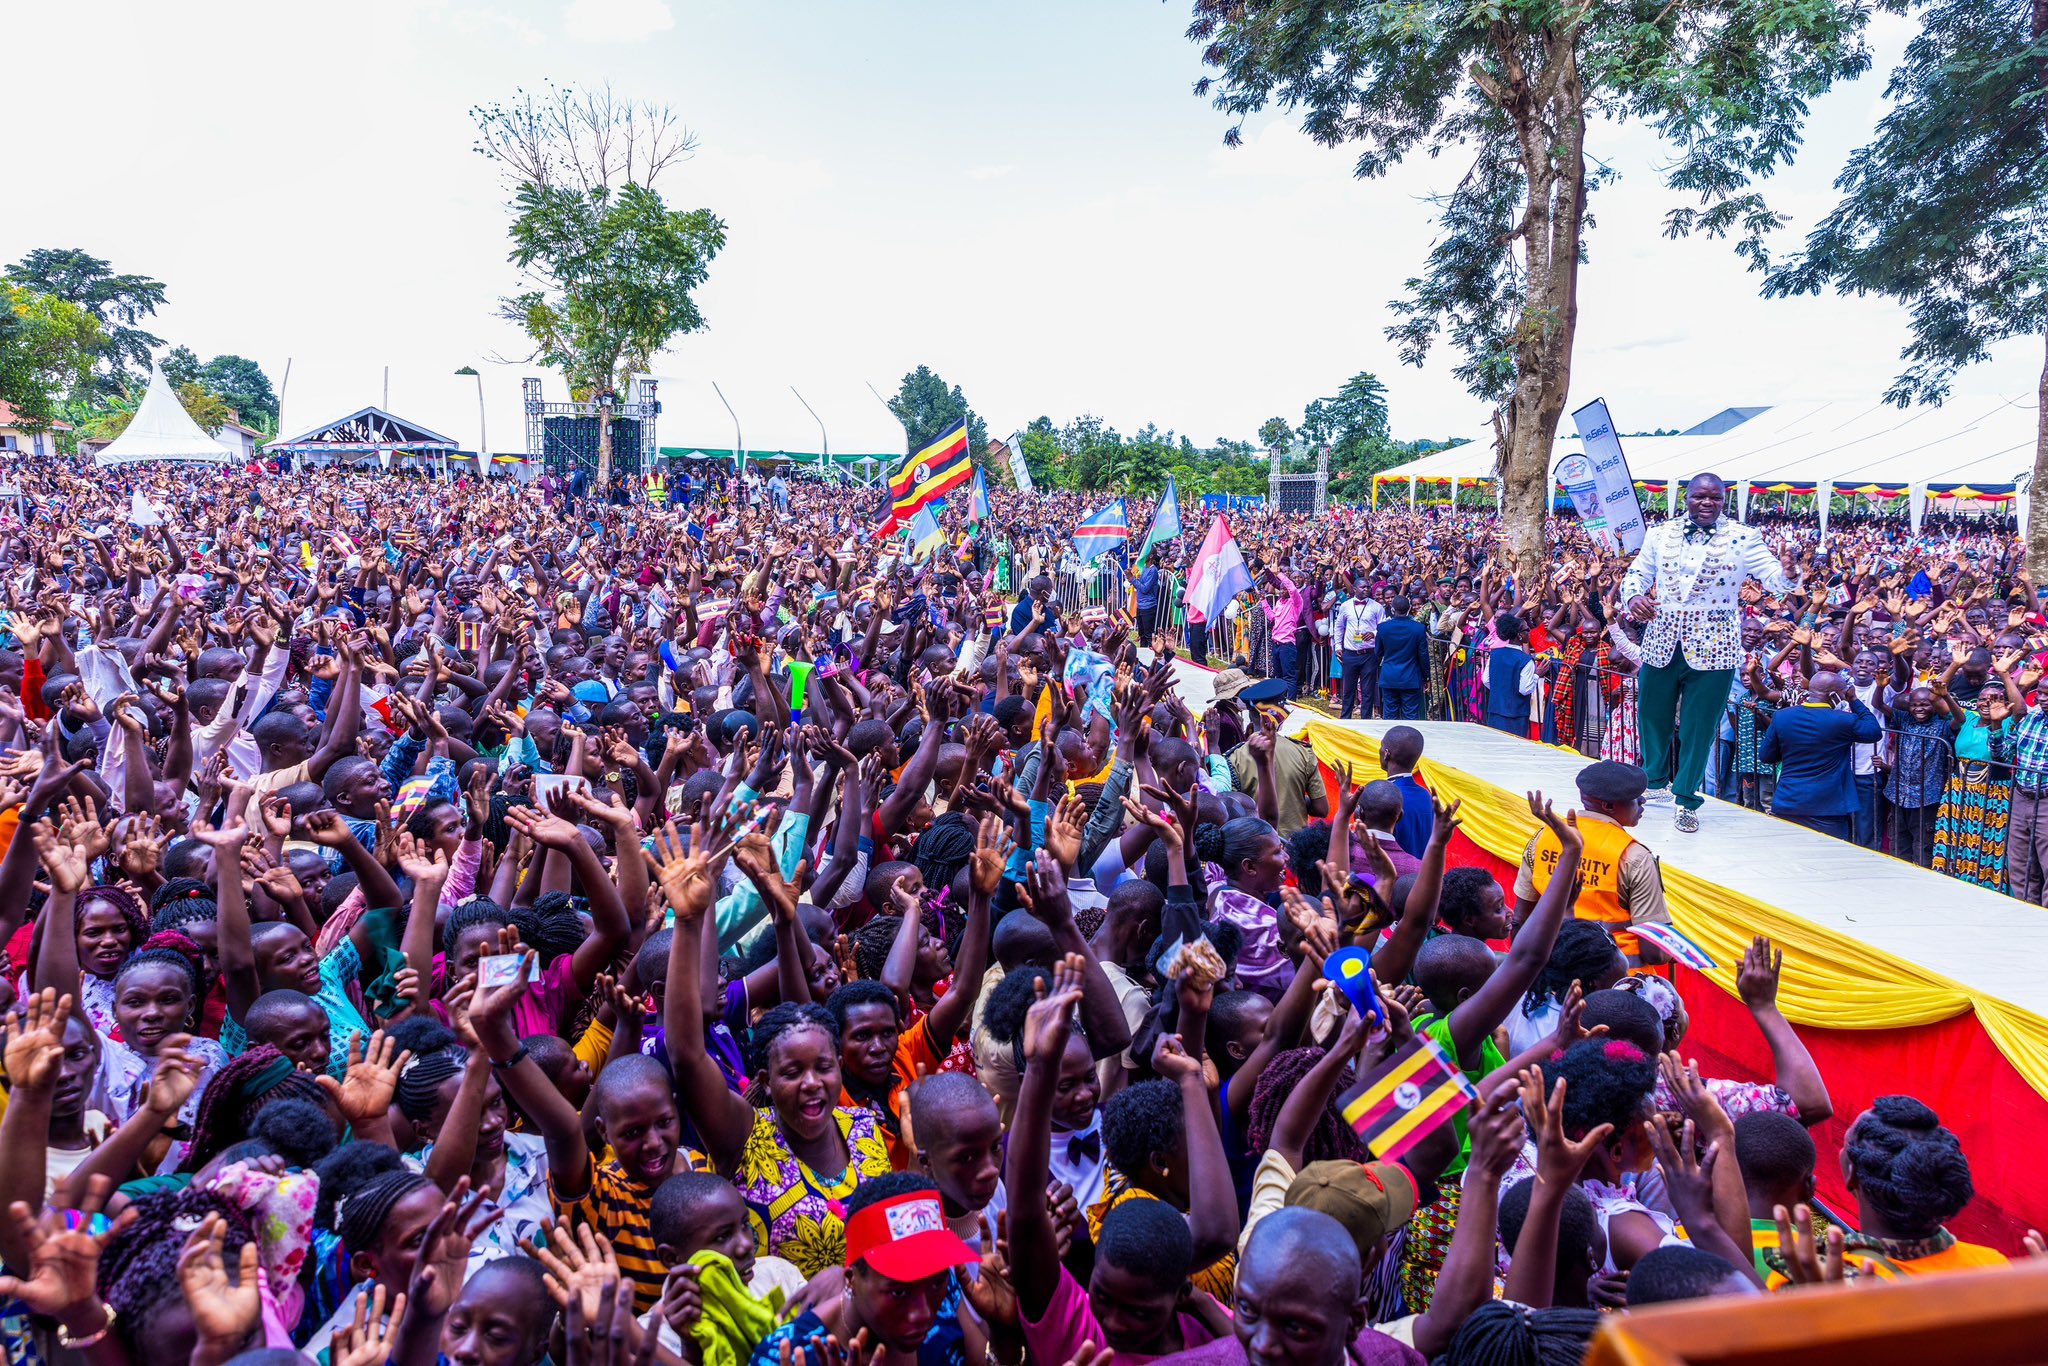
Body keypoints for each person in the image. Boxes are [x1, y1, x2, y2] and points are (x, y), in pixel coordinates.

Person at [1621, 473, 1799, 832]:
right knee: (1651, 717)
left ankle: (1686, 798)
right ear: (1686, 498)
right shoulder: (1660, 533)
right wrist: (1633, 596)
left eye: (1715, 498)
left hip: (1716, 645)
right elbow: (1637, 573)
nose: (1707, 503)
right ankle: (1655, 783)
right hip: (1662, 638)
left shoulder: (1744, 537)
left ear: (1724, 499)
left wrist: (1790, 572)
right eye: (1700, 496)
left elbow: (1775, 579)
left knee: (1699, 727)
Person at [1511, 760, 1672, 967]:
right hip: (1617, 987)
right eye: (1634, 798)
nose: (1642, 802)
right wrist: (1670, 949)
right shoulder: (1635, 857)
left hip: (1553, 975)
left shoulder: (1542, 838)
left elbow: (1519, 920)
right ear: (1609, 806)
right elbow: (1654, 953)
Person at [1758, 669, 1883, 841]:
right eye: (1843, 694)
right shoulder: (1843, 720)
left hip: (1789, 800)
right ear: (1833, 695)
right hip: (1828, 807)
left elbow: (1766, 756)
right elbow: (1873, 731)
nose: (1845, 697)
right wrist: (1854, 700)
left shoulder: (1782, 716)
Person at [1375, 597, 1431, 722]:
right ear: (1409, 608)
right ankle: (1410, 741)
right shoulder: (1418, 628)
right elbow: (1423, 655)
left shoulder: (1383, 628)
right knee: (1410, 715)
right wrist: (1426, 677)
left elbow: (1378, 652)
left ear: (1393, 609)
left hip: (1389, 675)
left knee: (1390, 714)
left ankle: (1390, 741)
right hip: (1410, 676)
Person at [1333, 585, 1384, 720]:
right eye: (1363, 587)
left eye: (1368, 587)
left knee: (1368, 691)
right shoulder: (1346, 606)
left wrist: (1373, 633)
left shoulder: (1377, 607)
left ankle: (1365, 720)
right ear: (1355, 589)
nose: (1366, 589)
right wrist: (1338, 645)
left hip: (1369, 653)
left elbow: (1383, 627)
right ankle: (1345, 719)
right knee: (1348, 690)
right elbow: (1339, 626)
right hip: (1350, 653)